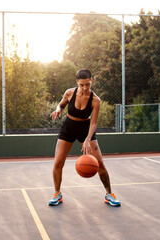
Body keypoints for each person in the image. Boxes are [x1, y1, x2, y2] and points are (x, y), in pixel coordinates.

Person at [48, 69, 121, 207]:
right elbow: (61, 105)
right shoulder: (70, 93)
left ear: (91, 81)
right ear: (77, 83)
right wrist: (58, 110)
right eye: (82, 85)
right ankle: (57, 193)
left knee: (100, 162)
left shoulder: (95, 100)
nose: (85, 88)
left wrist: (88, 139)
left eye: (87, 84)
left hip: (86, 129)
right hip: (68, 127)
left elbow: (93, 123)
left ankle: (109, 194)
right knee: (58, 162)